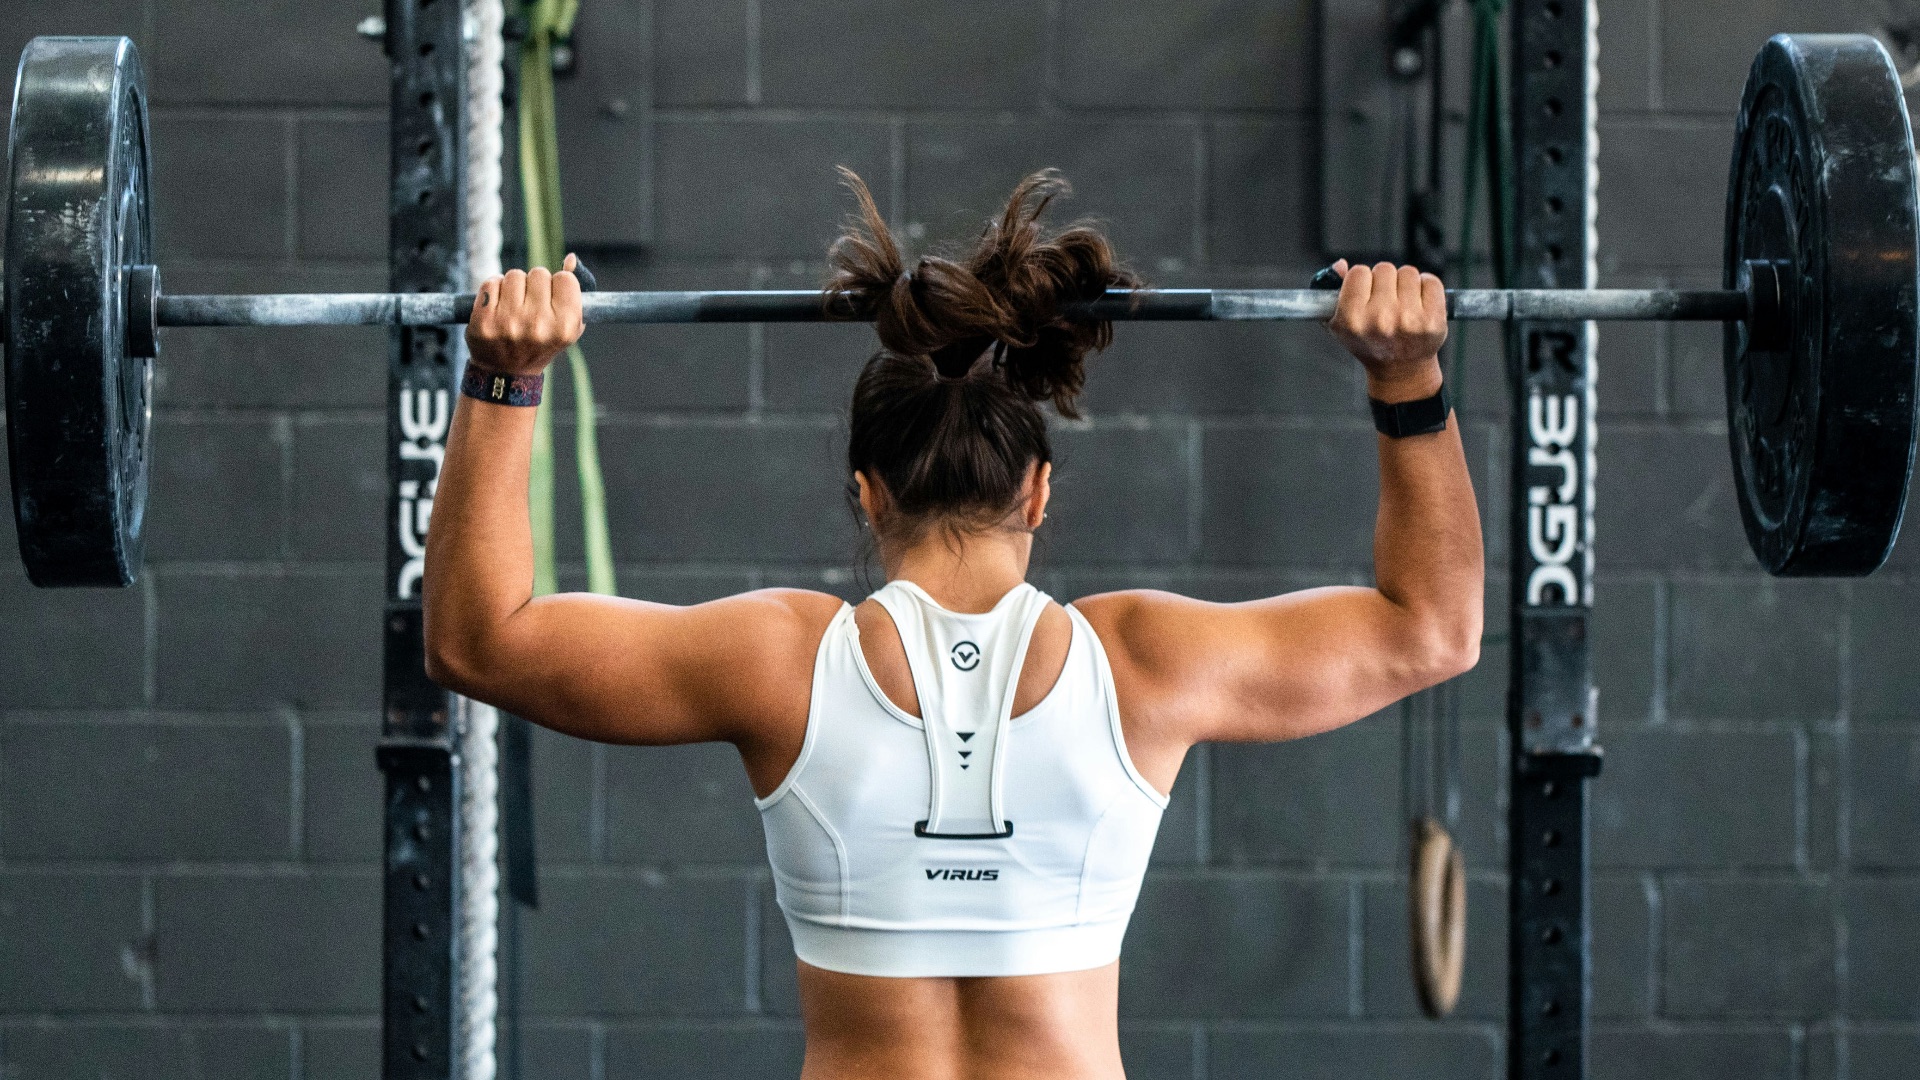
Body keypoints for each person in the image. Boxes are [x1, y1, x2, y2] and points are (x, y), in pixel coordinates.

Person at [423, 169, 1482, 1080]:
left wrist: (505, 379)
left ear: (866, 494)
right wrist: (1408, 379)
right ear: (1039, 493)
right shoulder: (1143, 664)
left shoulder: (782, 661)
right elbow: (1433, 629)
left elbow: (478, 639)